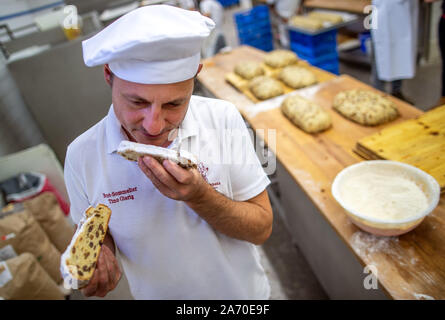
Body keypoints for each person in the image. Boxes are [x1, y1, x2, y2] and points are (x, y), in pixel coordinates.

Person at [64, 5, 273, 299]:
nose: (153, 125)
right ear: (109, 74)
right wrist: (101, 256)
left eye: (174, 104)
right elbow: (96, 231)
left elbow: (261, 229)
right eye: (137, 102)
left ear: (195, 76)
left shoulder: (222, 119)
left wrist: (200, 197)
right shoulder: (81, 156)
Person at [370, 0, 419, 103]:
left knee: (401, 51)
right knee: (382, 52)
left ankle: (396, 91)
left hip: (405, 9)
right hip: (385, 7)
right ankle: (378, 94)